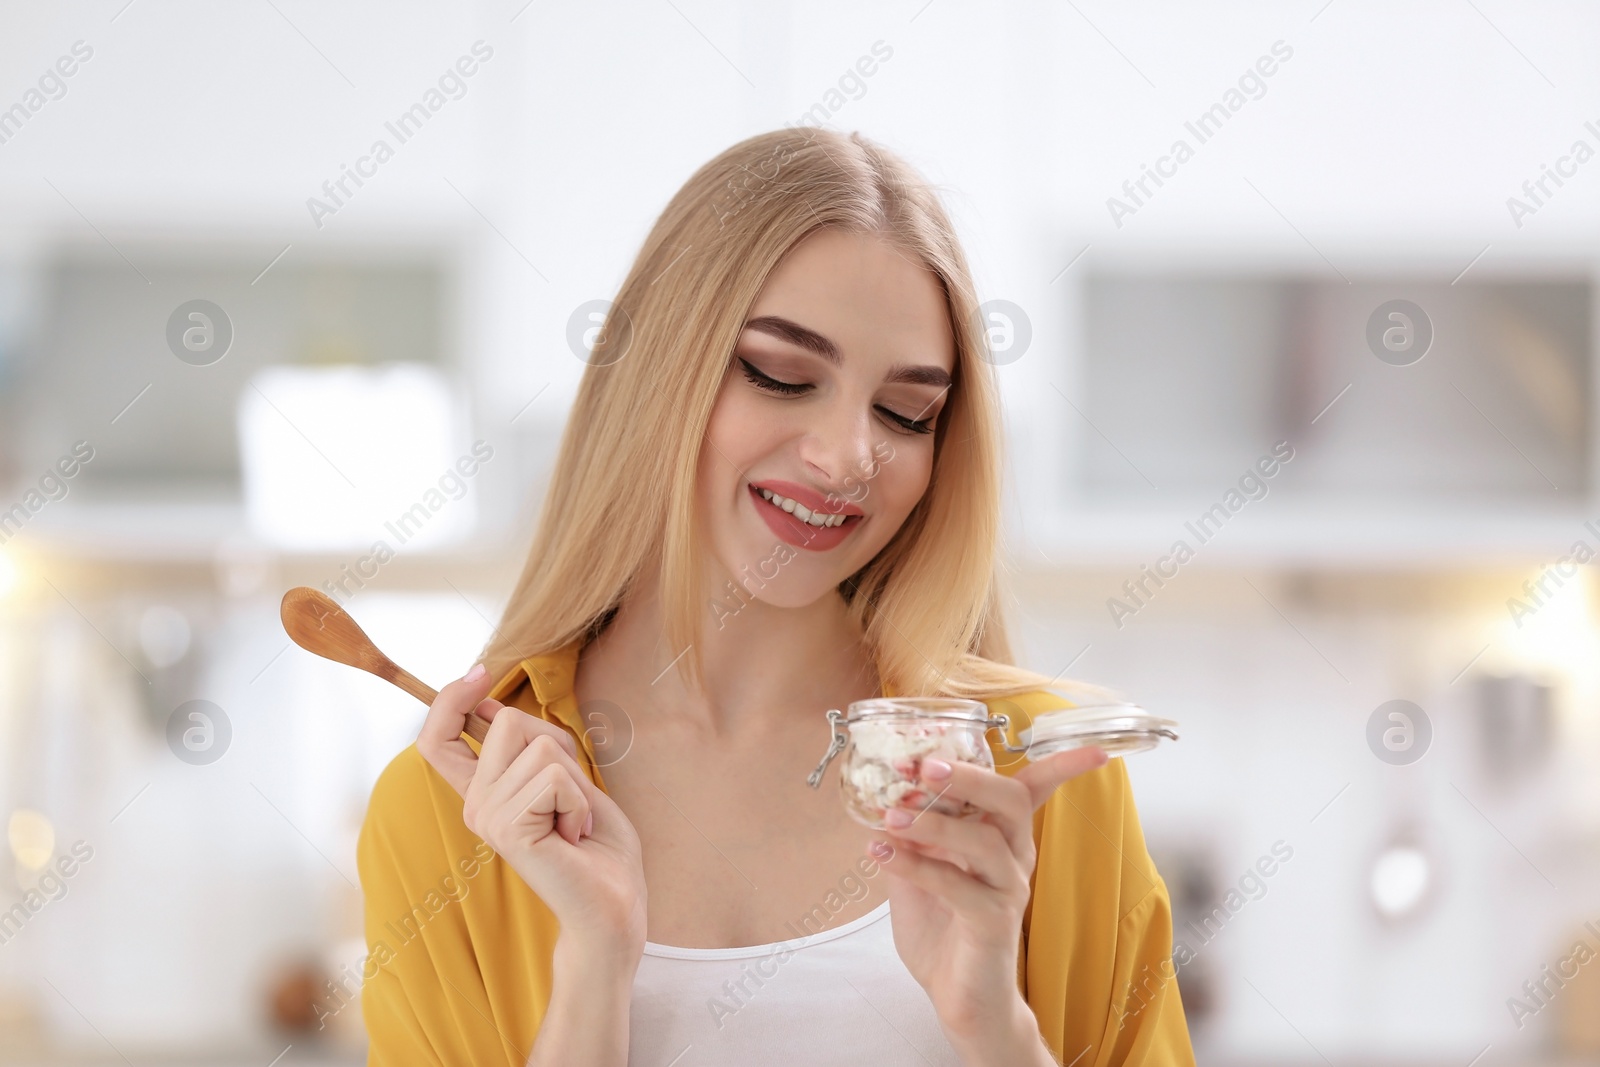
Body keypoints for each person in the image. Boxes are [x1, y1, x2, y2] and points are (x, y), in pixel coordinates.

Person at [356, 127, 1195, 1066]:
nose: (848, 458)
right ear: (657, 373)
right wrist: (594, 966)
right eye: (782, 375)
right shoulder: (459, 813)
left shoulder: (1038, 788)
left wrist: (996, 1029)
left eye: (904, 413)